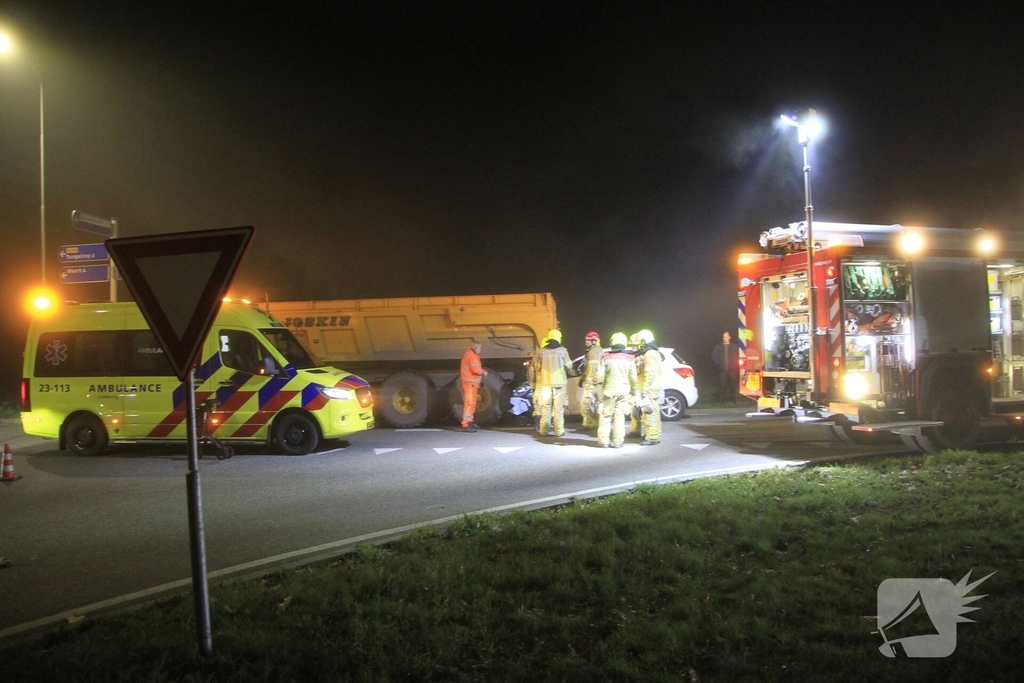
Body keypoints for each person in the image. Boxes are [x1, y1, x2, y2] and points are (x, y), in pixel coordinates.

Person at [596, 332, 639, 448]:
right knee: (619, 417)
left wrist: (598, 388)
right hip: (623, 391)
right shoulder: (630, 358)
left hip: (608, 391)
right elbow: (633, 378)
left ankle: (603, 441)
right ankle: (618, 442)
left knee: (605, 416)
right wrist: (634, 391)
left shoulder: (605, 357)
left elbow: (599, 376)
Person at [533, 328, 572, 437]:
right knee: (558, 408)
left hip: (545, 383)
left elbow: (538, 367)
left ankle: (543, 430)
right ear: (559, 338)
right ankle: (558, 431)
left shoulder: (541, 352)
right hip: (559, 384)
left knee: (546, 407)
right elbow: (569, 366)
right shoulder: (563, 351)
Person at [636, 329, 663, 445]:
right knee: (655, 412)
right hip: (655, 387)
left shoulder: (648, 354)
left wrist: (644, 390)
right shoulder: (655, 353)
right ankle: (655, 435)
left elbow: (649, 372)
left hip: (650, 388)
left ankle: (651, 437)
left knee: (649, 413)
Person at [459, 340, 487, 432]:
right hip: (470, 383)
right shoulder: (473, 356)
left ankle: (469, 421)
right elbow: (476, 370)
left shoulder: (468, 355)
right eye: (480, 348)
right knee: (470, 403)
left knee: (471, 403)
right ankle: (466, 423)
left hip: (470, 382)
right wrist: (484, 372)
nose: (480, 350)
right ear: (475, 348)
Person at [579, 330, 603, 430]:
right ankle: (598, 423)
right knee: (599, 403)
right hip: (599, 380)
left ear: (594, 341)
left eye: (588, 340)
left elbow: (592, 367)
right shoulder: (598, 350)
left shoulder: (593, 351)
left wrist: (587, 380)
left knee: (586, 402)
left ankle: (588, 423)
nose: (586, 342)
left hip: (593, 380)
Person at [712, 330, 741, 403]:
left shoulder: (734, 346)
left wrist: (735, 365)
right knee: (722, 385)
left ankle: (734, 399)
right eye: (723, 337)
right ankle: (722, 400)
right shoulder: (718, 347)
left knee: (733, 385)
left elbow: (738, 356)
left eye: (726, 337)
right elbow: (714, 356)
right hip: (722, 369)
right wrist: (719, 364)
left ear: (729, 337)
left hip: (732, 369)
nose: (724, 338)